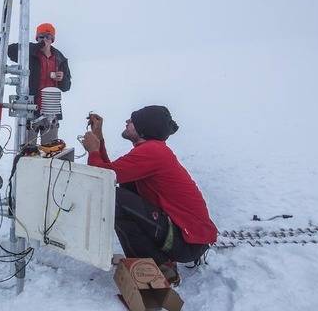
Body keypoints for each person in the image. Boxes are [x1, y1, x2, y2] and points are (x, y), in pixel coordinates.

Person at [80, 106, 217, 285]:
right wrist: (98, 137)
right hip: (185, 236)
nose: (127, 122)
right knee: (123, 187)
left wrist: (93, 151)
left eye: (132, 121)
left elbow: (102, 180)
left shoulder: (152, 152)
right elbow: (110, 175)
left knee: (111, 199)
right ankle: (157, 261)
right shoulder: (152, 150)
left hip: (187, 243)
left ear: (143, 130)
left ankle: (160, 268)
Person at [8, 22, 72, 145]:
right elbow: (10, 51)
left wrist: (62, 78)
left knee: (49, 152)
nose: (44, 40)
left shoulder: (60, 58)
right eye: (41, 36)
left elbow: (66, 87)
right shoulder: (29, 54)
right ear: (37, 38)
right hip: (30, 110)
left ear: (52, 39)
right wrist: (36, 46)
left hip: (51, 111)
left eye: (48, 37)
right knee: (26, 150)